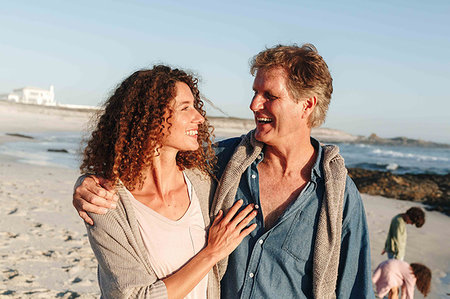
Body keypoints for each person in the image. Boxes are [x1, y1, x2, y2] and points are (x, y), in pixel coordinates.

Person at [74, 44, 374, 298]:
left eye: (269, 95)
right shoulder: (221, 164)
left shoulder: (338, 198)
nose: (254, 104)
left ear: (306, 105)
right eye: (255, 92)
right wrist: (88, 184)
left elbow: (356, 289)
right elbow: (148, 162)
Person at [78, 65, 257, 298]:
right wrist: (211, 253)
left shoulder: (202, 182)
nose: (199, 117)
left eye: (195, 106)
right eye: (186, 108)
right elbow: (133, 295)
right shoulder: (106, 203)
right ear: (150, 117)